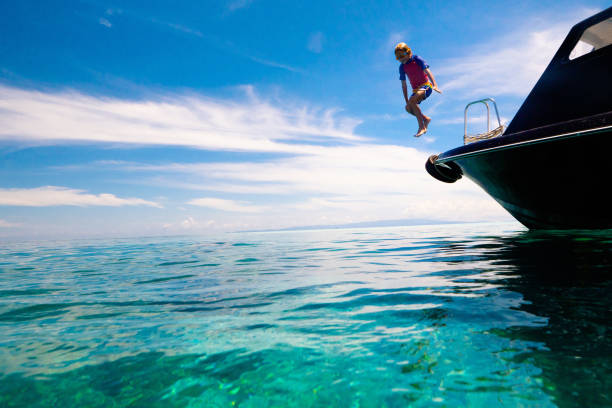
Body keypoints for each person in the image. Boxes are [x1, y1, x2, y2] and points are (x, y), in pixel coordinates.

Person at [395, 43, 441, 137]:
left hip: (426, 86)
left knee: (412, 101)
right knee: (408, 108)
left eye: (402, 56)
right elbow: (404, 85)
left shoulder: (417, 59)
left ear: (408, 52)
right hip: (416, 90)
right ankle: (425, 119)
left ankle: (422, 127)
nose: (401, 59)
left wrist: (435, 85)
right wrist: (406, 100)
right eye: (398, 58)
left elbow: (427, 71)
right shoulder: (402, 67)